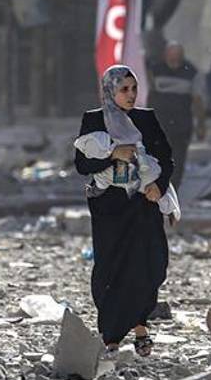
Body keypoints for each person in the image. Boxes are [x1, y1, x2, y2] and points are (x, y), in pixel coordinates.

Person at [74, 65, 173, 357]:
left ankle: (140, 320)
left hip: (143, 202)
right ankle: (114, 334)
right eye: (124, 89)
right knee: (112, 268)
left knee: (151, 264)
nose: (130, 95)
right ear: (110, 90)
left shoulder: (146, 118)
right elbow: (82, 165)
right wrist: (112, 155)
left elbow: (167, 158)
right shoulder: (94, 120)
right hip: (110, 207)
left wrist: (160, 185)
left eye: (134, 89)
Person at [148, 41, 206, 188]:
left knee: (178, 160)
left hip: (182, 123)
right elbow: (149, 95)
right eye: (171, 55)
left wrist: (201, 124)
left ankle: (172, 190)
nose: (173, 59)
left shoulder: (191, 72)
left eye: (177, 56)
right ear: (165, 55)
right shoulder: (155, 70)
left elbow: (198, 100)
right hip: (160, 123)